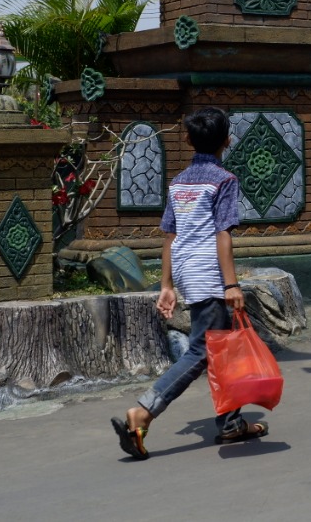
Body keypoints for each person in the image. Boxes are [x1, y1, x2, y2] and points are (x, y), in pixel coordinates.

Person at [111, 107, 268, 460]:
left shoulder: (179, 182)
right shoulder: (224, 180)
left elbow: (169, 234)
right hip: (210, 274)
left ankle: (231, 424)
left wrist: (167, 284)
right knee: (201, 351)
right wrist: (231, 286)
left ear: (187, 139)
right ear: (227, 141)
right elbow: (222, 234)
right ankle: (143, 412)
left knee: (218, 350)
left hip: (184, 269)